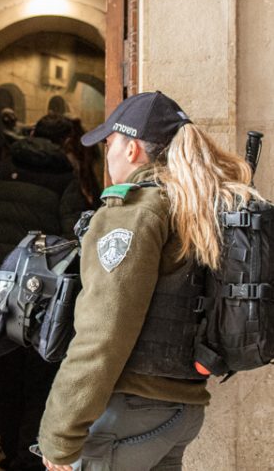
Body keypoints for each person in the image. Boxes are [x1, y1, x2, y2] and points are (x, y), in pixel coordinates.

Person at [38, 91, 259, 471]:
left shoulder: (134, 211)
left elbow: (103, 332)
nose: (107, 154)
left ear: (132, 148)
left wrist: (59, 434)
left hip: (128, 413)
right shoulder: (197, 206)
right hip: (181, 411)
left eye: (109, 143)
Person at [0, 113, 90, 470]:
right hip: (43, 300)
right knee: (38, 382)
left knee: (1, 377)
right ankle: (26, 457)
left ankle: (4, 448)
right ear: (65, 142)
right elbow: (75, 238)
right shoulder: (64, 180)